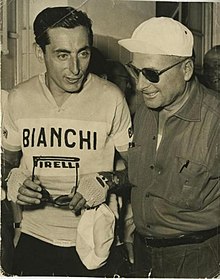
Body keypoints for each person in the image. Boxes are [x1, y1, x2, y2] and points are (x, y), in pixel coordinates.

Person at [1, 6, 132, 276]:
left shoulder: (112, 98)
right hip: (35, 239)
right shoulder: (18, 98)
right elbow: (7, 164)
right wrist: (11, 179)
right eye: (62, 55)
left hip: (96, 241)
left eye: (83, 54)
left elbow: (140, 172)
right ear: (40, 53)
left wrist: (106, 181)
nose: (75, 69)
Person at [118, 17, 220, 278]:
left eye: (151, 73)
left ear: (186, 70)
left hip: (197, 258)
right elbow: (146, 178)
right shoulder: (143, 110)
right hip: (143, 253)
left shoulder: (216, 120)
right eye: (135, 71)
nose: (141, 85)